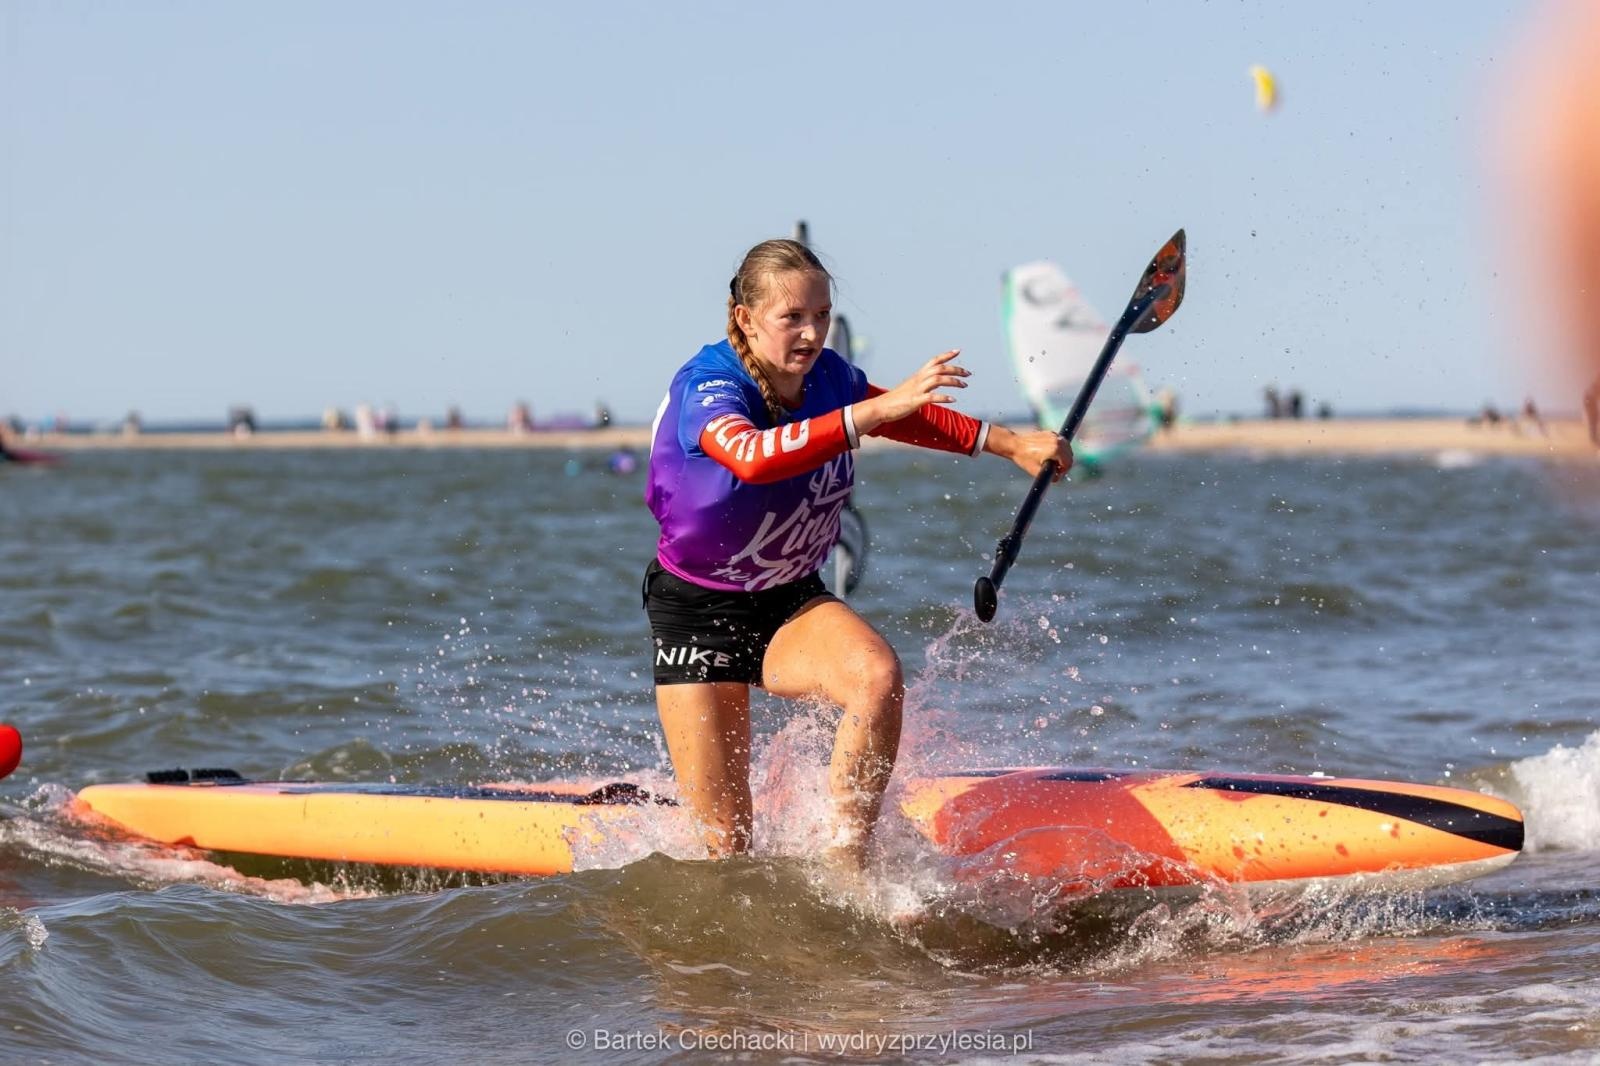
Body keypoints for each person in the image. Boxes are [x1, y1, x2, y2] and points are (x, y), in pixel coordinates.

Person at [643, 238, 1073, 868]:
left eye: (821, 315)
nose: (812, 333)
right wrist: (876, 409)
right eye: (792, 317)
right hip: (697, 613)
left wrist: (1011, 444)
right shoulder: (709, 384)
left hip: (789, 599)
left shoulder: (829, 379)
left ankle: (846, 866)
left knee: (876, 676)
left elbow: (902, 420)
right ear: (745, 318)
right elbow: (751, 457)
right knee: (725, 853)